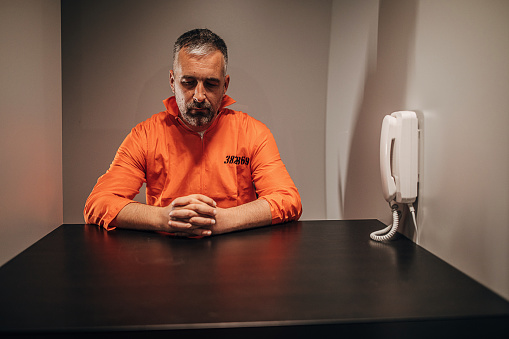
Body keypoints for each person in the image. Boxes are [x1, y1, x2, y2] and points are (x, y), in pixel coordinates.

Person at [84, 28, 302, 237]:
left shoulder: (253, 133)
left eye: (211, 84)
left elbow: (288, 199)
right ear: (172, 82)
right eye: (188, 83)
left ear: (225, 85)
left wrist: (223, 221)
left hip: (240, 260)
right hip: (165, 262)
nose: (199, 95)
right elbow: (98, 202)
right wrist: (163, 218)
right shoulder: (145, 135)